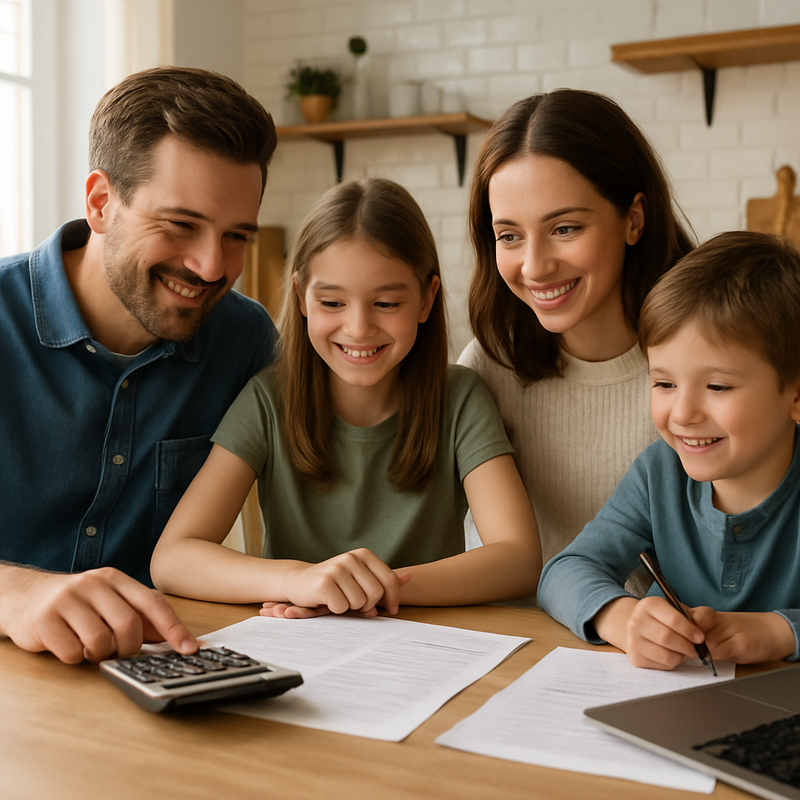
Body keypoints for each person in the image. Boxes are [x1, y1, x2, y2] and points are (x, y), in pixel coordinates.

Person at [151, 177, 541, 616]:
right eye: (333, 303)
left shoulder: (460, 398)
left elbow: (520, 560)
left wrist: (365, 590)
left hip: (426, 652)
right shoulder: (266, 401)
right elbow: (172, 558)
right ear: (301, 297)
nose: (358, 329)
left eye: (387, 304)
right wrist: (298, 582)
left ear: (427, 299)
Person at [0, 66, 279, 663]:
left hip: (153, 680)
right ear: (101, 203)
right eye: (181, 225)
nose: (210, 267)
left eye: (236, 236)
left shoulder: (245, 337)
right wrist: (13, 594)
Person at [458, 89, 695, 591]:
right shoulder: (487, 367)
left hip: (664, 650)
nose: (535, 266)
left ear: (634, 218)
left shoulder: (708, 367)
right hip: (516, 639)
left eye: (564, 228)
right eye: (509, 235)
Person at [538, 231, 800, 669]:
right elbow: (565, 571)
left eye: (717, 386)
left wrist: (778, 631)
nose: (682, 413)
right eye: (663, 383)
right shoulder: (659, 472)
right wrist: (620, 618)